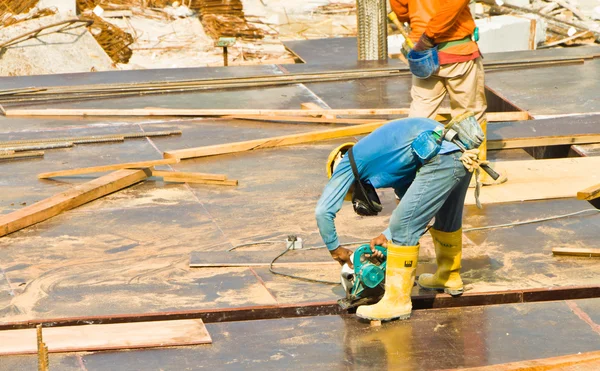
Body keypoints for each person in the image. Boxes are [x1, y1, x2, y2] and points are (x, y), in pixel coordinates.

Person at [315, 114, 484, 321]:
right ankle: (448, 276)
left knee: (402, 226)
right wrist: (386, 236)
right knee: (446, 218)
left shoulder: (347, 163)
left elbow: (323, 212)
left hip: (442, 157)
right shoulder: (388, 160)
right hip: (458, 154)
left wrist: (336, 251)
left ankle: (397, 302)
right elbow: (417, 213)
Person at [390, 0, 496, 179]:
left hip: (423, 54)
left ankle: (410, 173)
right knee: (469, 114)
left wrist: (422, 32)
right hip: (456, 51)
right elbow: (452, 7)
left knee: (420, 114)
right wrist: (428, 37)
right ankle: (473, 173)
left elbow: (400, 7)